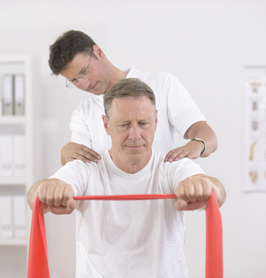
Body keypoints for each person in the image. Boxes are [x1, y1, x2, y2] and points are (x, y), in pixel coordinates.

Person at [27, 78, 226, 278]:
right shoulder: (86, 168)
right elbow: (35, 195)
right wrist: (49, 189)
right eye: (124, 125)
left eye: (143, 123)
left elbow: (218, 192)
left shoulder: (171, 166)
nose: (135, 134)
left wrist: (204, 187)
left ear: (156, 122)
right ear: (106, 125)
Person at [48, 30, 218, 166]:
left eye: (84, 72)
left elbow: (208, 136)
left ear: (98, 52)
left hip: (160, 205)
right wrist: (66, 153)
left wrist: (196, 145)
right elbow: (75, 167)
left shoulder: (162, 84)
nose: (83, 84)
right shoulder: (83, 113)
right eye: (74, 80)